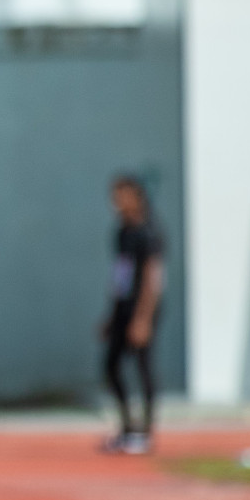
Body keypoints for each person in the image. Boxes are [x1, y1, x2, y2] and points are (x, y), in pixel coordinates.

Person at [99, 175, 164, 455]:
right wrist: (112, 315)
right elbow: (121, 277)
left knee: (142, 367)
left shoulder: (149, 232)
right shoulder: (122, 232)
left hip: (142, 309)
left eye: (121, 196)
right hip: (124, 308)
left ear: (136, 197)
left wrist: (143, 318)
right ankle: (127, 427)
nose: (116, 203)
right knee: (111, 366)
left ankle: (145, 433)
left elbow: (153, 277)